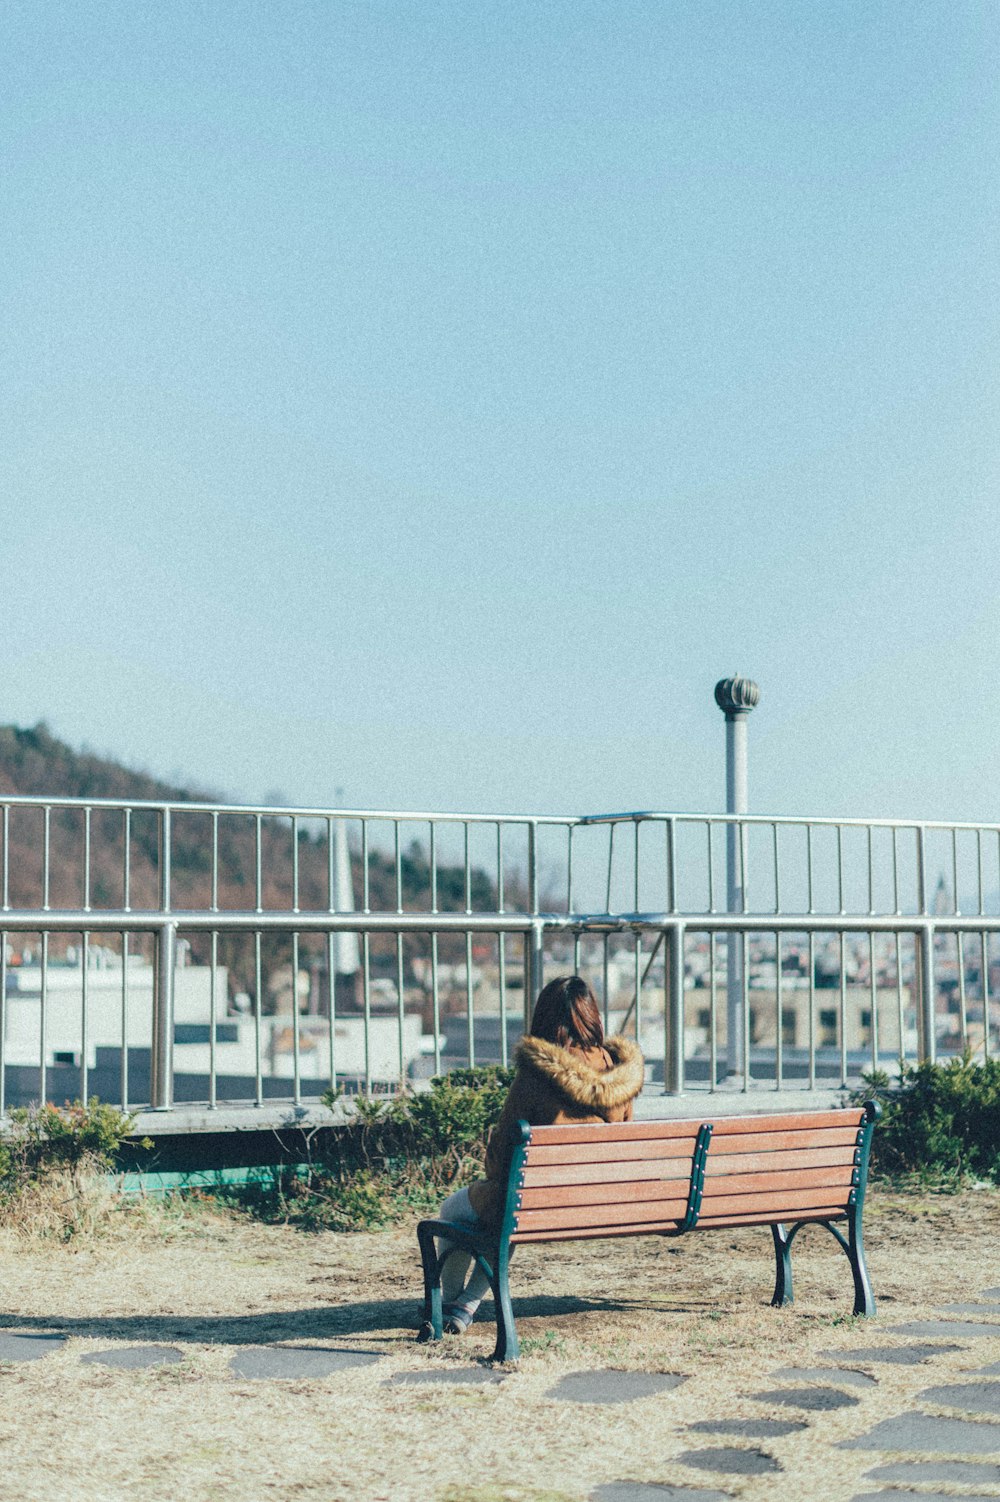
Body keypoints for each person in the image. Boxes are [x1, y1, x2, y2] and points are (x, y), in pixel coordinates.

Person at [420, 974, 644, 1337]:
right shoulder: (620, 1074)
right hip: (601, 1200)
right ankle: (463, 1306)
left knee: (458, 1210)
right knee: (511, 1210)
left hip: (538, 1201)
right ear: (592, 1016)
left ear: (545, 1018)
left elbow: (501, 1159)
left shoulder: (537, 1076)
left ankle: (450, 1302)